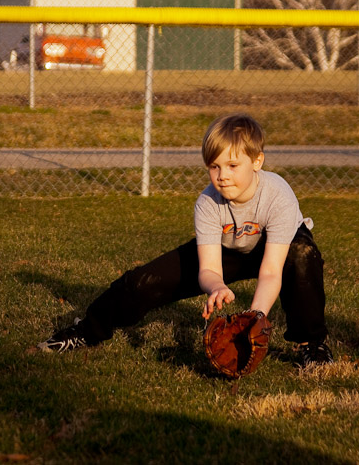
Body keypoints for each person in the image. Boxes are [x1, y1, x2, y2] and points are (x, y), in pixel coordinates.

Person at [38, 113, 333, 366]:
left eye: (232, 166)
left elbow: (270, 271)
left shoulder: (277, 194)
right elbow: (208, 269)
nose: (222, 176)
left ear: (257, 161)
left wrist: (255, 318)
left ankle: (312, 345)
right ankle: (87, 331)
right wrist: (216, 285)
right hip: (228, 248)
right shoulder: (207, 203)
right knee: (142, 282)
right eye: (214, 166)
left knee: (303, 254)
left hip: (278, 248)